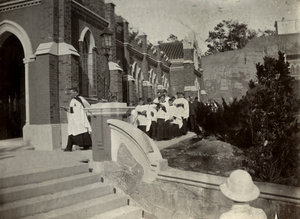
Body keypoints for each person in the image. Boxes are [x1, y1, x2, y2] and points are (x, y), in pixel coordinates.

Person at [62, 87, 92, 151]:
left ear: (76, 92)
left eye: (72, 93)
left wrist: (67, 109)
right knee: (75, 132)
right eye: (70, 93)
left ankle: (69, 147)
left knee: (74, 132)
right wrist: (68, 109)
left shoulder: (78, 99)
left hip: (79, 119)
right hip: (75, 119)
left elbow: (80, 109)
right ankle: (85, 145)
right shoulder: (75, 100)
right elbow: (74, 110)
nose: (71, 94)